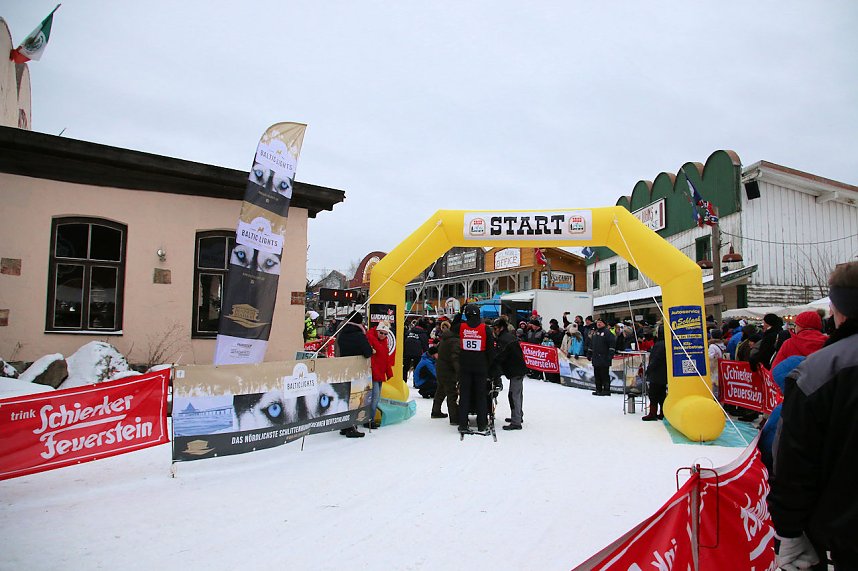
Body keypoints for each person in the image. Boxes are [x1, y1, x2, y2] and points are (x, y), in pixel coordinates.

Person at [768, 261, 858, 570]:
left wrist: (789, 530)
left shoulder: (818, 370)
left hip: (843, 533)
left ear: (839, 308)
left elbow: (794, 459)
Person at [457, 304, 495, 433]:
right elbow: (491, 351)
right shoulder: (485, 329)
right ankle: (482, 424)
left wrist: (459, 311)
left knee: (464, 395)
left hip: (465, 366)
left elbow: (452, 326)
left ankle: (462, 423)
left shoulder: (461, 327)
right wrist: (488, 367)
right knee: (481, 396)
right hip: (481, 367)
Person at [334, 311, 371, 438]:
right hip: (356, 372)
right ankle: (351, 427)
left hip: (342, 369)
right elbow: (368, 352)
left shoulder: (341, 334)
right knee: (354, 399)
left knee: (344, 398)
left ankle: (345, 426)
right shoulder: (359, 336)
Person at [492, 317, 529, 430]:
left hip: (515, 371)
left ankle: (516, 422)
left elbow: (500, 356)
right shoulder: (508, 337)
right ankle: (518, 416)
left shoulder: (503, 339)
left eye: (496, 328)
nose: (495, 331)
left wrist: (492, 363)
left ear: (501, 328)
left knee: (513, 396)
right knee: (518, 394)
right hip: (518, 369)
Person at [365, 321, 394, 429]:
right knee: (374, 398)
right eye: (381, 333)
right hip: (373, 373)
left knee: (376, 398)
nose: (383, 335)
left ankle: (370, 419)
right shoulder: (370, 338)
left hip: (379, 373)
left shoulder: (384, 342)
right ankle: (369, 420)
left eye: (385, 334)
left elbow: (385, 359)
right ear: (377, 331)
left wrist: (388, 372)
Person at [432, 317, 460, 423]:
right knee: (452, 393)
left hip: (441, 368)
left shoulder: (446, 338)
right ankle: (454, 418)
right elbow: (455, 358)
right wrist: (459, 372)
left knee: (441, 390)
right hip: (448, 370)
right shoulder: (455, 341)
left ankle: (435, 411)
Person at [642, 325, 667, 420]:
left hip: (656, 373)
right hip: (663, 372)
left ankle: (653, 413)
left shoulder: (659, 344)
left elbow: (656, 359)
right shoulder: (665, 343)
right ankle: (662, 412)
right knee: (661, 394)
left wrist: (648, 369)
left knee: (653, 394)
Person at [587, 317, 615, 396]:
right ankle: (598, 389)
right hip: (596, 358)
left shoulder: (607, 333)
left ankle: (606, 390)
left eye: (600, 322)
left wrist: (610, 355)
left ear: (604, 324)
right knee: (597, 374)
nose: (598, 324)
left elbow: (612, 344)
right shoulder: (595, 333)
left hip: (604, 357)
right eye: (598, 322)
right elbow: (592, 344)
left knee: (604, 374)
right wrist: (589, 353)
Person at [403, 318, 429, 382]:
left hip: (407, 351)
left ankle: (403, 381)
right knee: (417, 368)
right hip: (418, 353)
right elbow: (425, 345)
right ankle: (416, 382)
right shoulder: (423, 334)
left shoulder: (409, 332)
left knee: (405, 367)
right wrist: (427, 354)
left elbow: (403, 340)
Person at [707, 329, 726, 399]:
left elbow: (710, 358)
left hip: (714, 371)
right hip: (722, 370)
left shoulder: (712, 346)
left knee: (714, 391)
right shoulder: (722, 344)